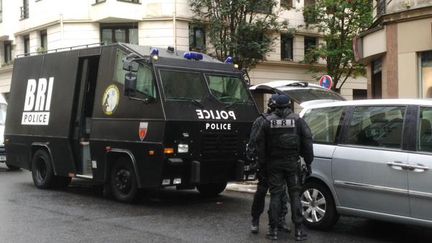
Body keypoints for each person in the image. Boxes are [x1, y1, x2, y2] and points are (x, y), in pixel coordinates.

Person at [254, 94, 313, 241]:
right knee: (295, 195)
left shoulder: (267, 122)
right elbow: (307, 142)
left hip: (273, 165)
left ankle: (273, 231)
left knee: (275, 195)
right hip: (292, 164)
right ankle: (298, 231)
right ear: (288, 106)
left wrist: (262, 165)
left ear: (274, 106)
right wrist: (308, 161)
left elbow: (259, 145)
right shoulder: (298, 120)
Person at [247, 94, 290, 234]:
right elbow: (253, 143)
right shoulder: (261, 121)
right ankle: (255, 219)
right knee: (261, 192)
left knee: (281, 194)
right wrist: (255, 162)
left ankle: (280, 220)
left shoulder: (286, 121)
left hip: (279, 163)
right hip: (265, 164)